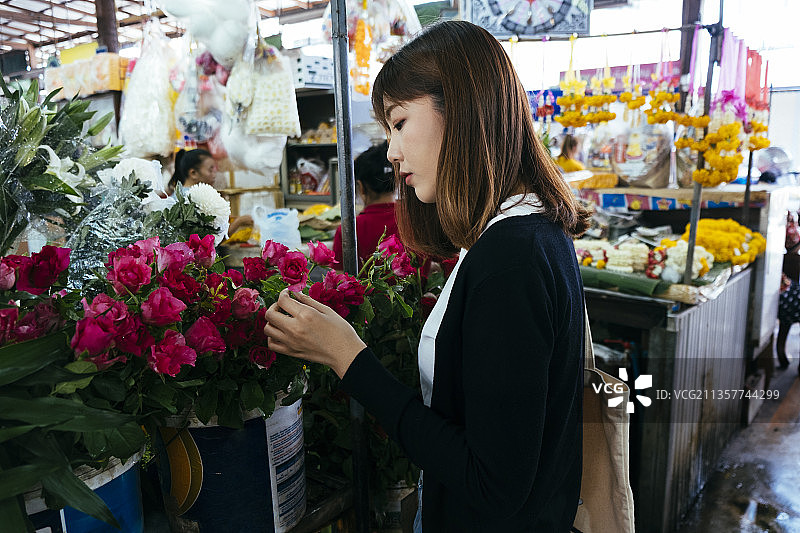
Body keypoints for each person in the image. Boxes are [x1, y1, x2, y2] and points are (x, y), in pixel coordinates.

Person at [264, 20, 589, 532]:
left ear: (458, 110)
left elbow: (493, 485)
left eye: (398, 122)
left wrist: (347, 358)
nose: (391, 152)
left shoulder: (510, 260)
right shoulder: (526, 234)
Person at [332, 141, 399, 266]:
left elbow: (339, 280)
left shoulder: (349, 230)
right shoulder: (416, 221)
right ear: (397, 182)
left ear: (361, 187)